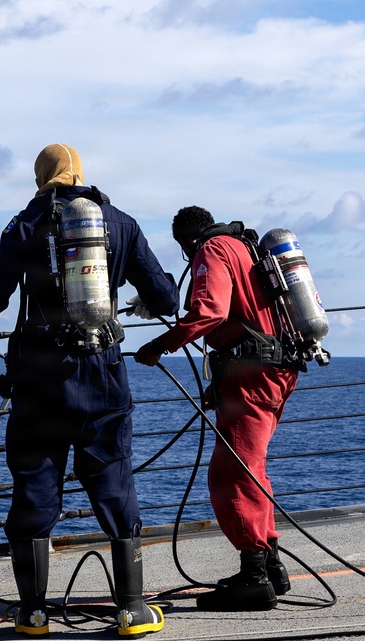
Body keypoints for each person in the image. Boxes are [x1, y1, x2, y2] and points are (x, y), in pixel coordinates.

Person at [0, 143, 179, 638]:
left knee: (34, 481)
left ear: (41, 179)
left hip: (39, 376)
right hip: (102, 372)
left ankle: (32, 613)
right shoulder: (120, 222)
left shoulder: (23, 226)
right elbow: (165, 297)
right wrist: (134, 301)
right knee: (113, 478)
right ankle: (131, 609)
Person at [133, 206, 299, 611]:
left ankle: (254, 577)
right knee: (251, 469)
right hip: (272, 369)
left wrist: (160, 346)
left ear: (186, 239)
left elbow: (211, 312)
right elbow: (245, 319)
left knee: (232, 474)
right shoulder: (244, 247)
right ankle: (270, 565)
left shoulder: (211, 249)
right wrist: (219, 380)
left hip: (253, 376)